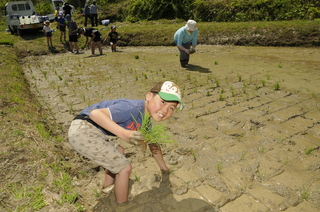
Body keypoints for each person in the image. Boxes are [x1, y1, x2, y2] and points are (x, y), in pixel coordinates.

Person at [68, 81, 184, 204]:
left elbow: (153, 145)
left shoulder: (145, 119)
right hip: (82, 130)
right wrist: (124, 133)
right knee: (124, 168)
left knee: (119, 151)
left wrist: (164, 168)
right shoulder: (131, 108)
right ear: (149, 96)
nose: (165, 110)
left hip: (93, 131)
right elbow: (95, 114)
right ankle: (122, 205)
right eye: (163, 102)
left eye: (172, 108)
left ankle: (108, 187)